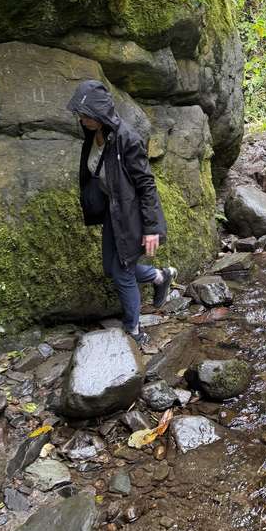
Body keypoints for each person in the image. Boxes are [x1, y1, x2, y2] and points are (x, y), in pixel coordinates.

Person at [67, 79, 176, 345]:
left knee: (123, 272)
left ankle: (134, 331)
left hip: (132, 215)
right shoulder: (92, 135)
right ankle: (160, 276)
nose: (82, 120)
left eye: (86, 115)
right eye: (80, 115)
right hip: (113, 212)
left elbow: (146, 185)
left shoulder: (127, 139)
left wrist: (152, 228)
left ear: (99, 112)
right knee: (111, 268)